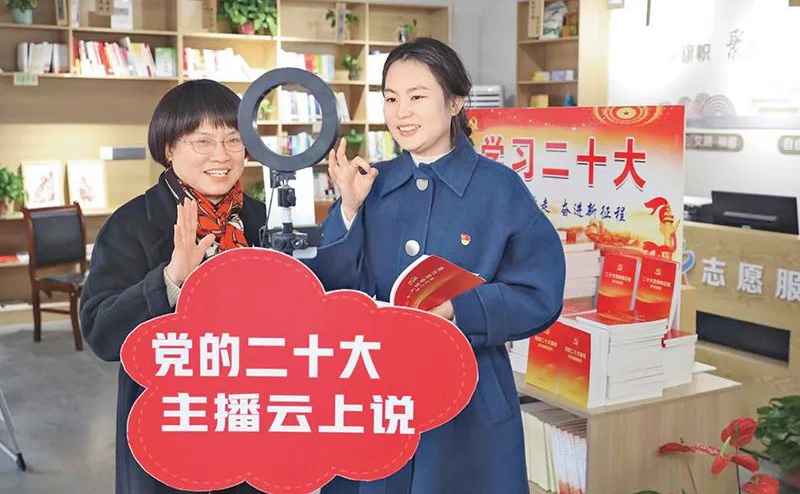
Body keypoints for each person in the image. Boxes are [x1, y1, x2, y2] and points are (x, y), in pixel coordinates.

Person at [79, 79, 359, 494]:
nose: (221, 156)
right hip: (175, 427)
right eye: (203, 141)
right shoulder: (133, 224)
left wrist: (349, 210)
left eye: (233, 140)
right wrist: (170, 280)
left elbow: (316, 302)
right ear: (169, 148)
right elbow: (101, 333)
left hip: (254, 422)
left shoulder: (263, 218)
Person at [322, 38, 566, 493]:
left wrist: (462, 309)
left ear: (455, 102)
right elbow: (334, 291)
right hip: (377, 390)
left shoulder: (500, 189)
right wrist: (349, 210)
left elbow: (540, 295)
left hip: (468, 399)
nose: (402, 112)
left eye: (417, 96)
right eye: (391, 99)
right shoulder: (371, 183)